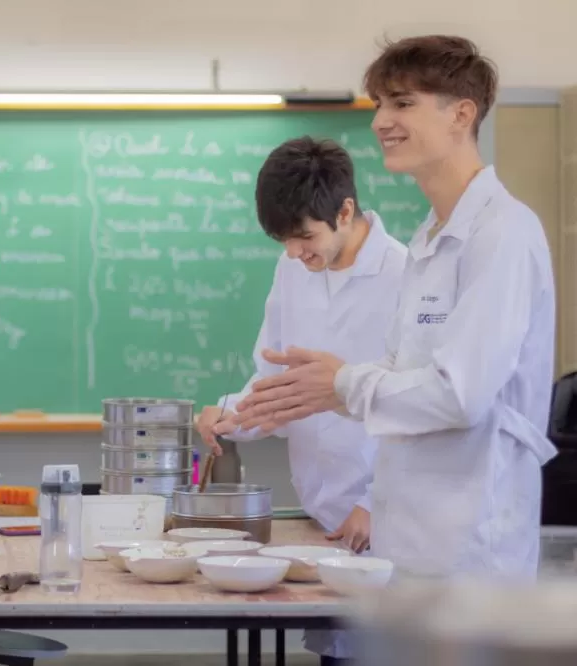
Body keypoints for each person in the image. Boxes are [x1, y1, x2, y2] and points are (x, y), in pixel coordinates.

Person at [221, 35, 558, 584]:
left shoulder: (502, 234)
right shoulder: (432, 239)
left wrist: (344, 385)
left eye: (403, 103)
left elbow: (458, 396)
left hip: (471, 560)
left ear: (462, 115)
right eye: (379, 103)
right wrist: (317, 390)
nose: (381, 121)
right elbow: (405, 381)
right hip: (408, 551)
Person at [197, 136, 406, 665]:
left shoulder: (407, 277)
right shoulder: (294, 269)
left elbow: (423, 408)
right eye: (283, 240)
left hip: (386, 522)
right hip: (325, 519)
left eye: (305, 236)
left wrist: (380, 502)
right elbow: (273, 375)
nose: (294, 252)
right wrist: (230, 414)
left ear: (345, 210)